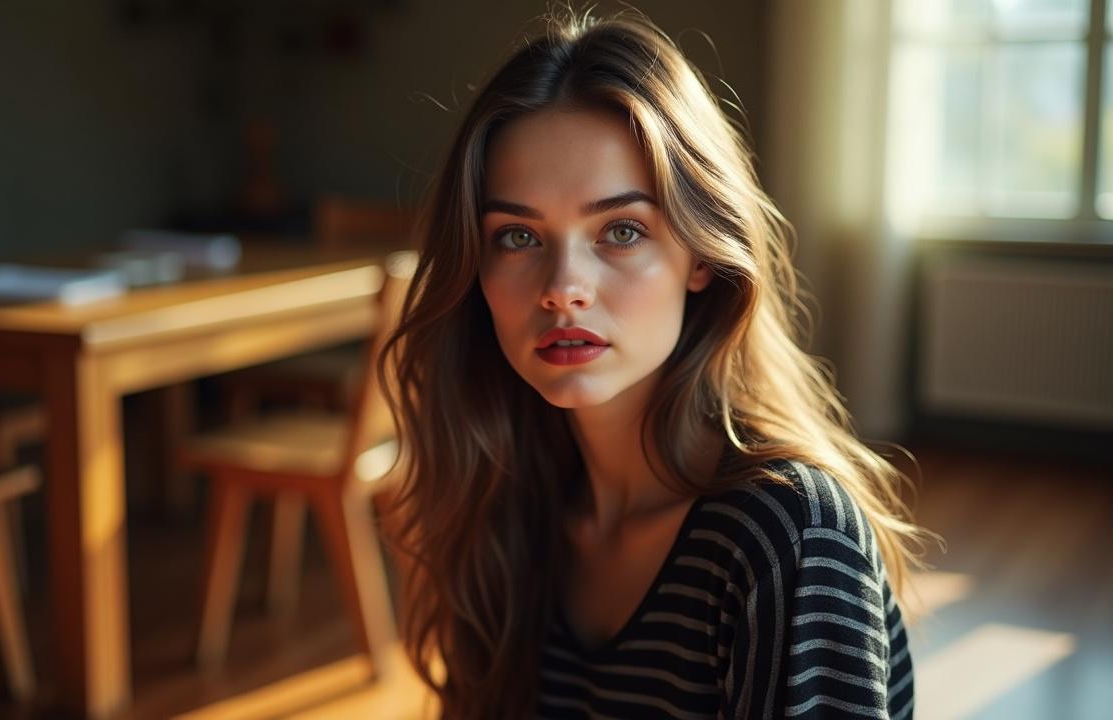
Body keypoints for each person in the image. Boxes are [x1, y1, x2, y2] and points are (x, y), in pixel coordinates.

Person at [378, 7, 928, 719]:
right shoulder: (507, 507)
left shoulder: (788, 536)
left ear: (700, 255)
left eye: (622, 230)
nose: (562, 287)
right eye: (516, 235)